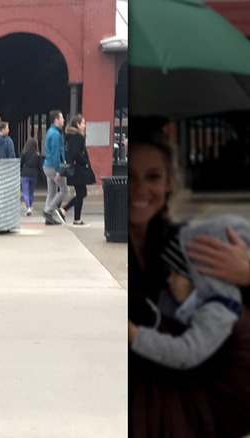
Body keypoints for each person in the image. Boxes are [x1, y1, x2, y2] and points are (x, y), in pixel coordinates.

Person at [129, 124, 250, 437]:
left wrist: (247, 275)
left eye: (153, 177)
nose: (140, 189)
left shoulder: (192, 243)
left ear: (170, 182)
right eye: (130, 177)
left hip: (187, 405)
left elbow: (192, 349)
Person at [129, 215, 250, 370]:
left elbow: (186, 352)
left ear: (201, 276)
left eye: (176, 273)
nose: (169, 280)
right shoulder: (202, 301)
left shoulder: (220, 311)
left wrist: (133, 334)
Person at [58, 114, 95, 226]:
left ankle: (68, 213)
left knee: (81, 193)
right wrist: (85, 162)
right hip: (78, 170)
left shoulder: (71, 137)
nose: (85, 125)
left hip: (75, 169)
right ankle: (71, 215)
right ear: (78, 124)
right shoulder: (78, 137)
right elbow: (75, 153)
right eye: (83, 123)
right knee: (81, 193)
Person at [41, 109, 67, 225]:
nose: (63, 120)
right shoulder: (56, 135)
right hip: (54, 166)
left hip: (47, 165)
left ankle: (48, 218)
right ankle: (48, 211)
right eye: (61, 118)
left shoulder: (50, 132)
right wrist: (58, 171)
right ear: (56, 120)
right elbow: (56, 153)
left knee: (51, 192)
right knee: (65, 189)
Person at [19, 138, 40, 216]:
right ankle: (30, 206)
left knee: (26, 192)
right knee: (31, 192)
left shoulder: (24, 153)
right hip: (34, 174)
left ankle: (28, 208)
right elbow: (39, 166)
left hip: (25, 173)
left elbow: (20, 163)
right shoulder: (37, 154)